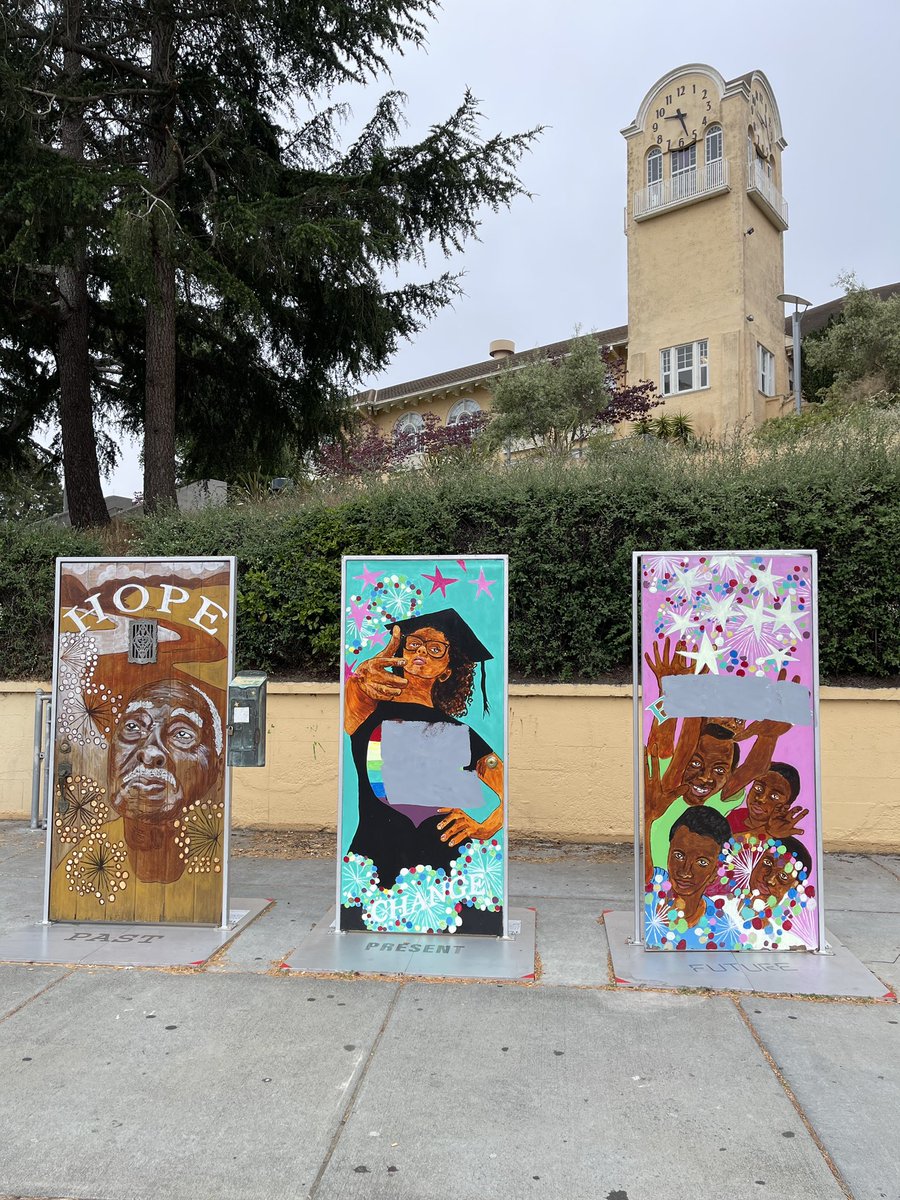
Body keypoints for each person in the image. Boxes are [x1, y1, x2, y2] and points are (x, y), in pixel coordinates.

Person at [341, 608, 503, 934]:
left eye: (434, 650)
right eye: (413, 645)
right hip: (373, 864)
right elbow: (356, 691)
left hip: (444, 873)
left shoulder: (459, 731)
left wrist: (485, 827)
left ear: (446, 670)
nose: (420, 654)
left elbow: (507, 785)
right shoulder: (365, 713)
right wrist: (360, 677)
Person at [107, 679, 223, 883]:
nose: (151, 752)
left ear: (217, 769)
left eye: (182, 734)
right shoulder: (77, 864)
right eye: (133, 726)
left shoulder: (204, 886)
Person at [645, 806, 739, 950]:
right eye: (679, 855)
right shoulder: (650, 882)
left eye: (701, 862)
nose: (685, 872)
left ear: (716, 870)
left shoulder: (723, 932)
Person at [727, 762, 808, 839]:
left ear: (785, 807)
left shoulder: (784, 838)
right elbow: (719, 848)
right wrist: (766, 832)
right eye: (758, 788)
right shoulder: (732, 818)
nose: (761, 799)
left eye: (774, 796)